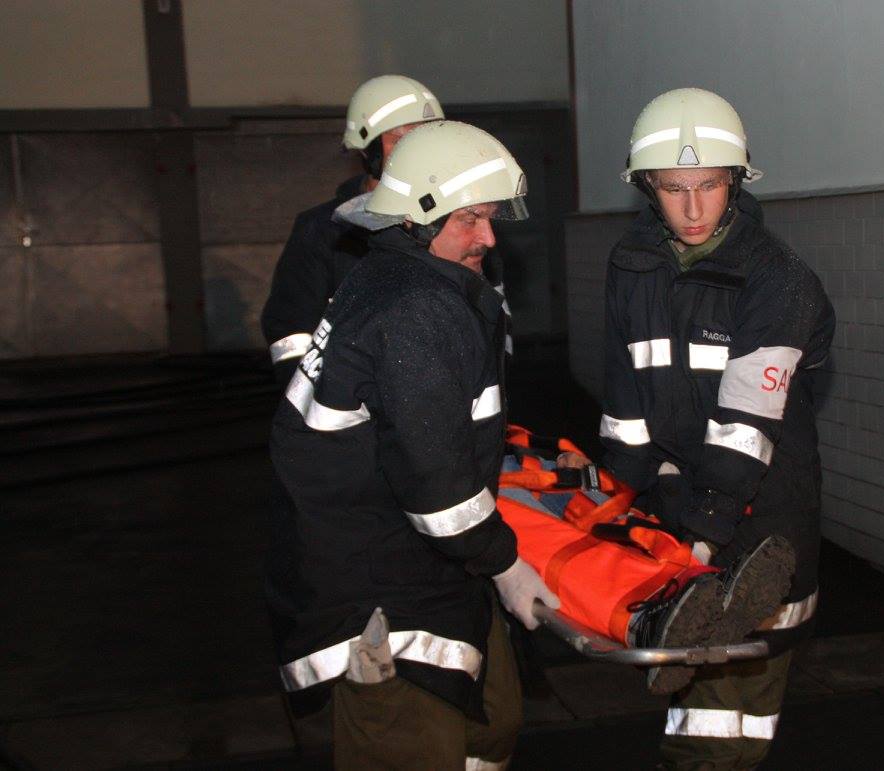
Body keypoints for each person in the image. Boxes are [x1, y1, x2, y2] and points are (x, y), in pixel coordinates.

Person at [266, 120, 558, 770]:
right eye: (469, 220)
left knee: (492, 724)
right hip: (379, 584)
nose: (488, 237)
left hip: (428, 565)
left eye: (490, 218)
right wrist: (506, 565)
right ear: (414, 220)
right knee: (411, 748)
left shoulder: (399, 281)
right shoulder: (415, 308)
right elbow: (437, 488)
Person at [563, 87, 835, 769]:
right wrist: (608, 497)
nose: (692, 209)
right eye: (673, 188)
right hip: (682, 516)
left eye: (709, 186)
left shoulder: (778, 281)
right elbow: (626, 402)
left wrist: (701, 540)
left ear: (735, 181)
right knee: (704, 721)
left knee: (734, 718)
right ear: (646, 186)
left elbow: (746, 426)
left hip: (764, 522)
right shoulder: (632, 266)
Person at [260, 75, 444, 386]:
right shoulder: (323, 232)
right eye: (402, 141)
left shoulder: (460, 224)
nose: (419, 154)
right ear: (368, 150)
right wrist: (319, 398)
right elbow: (290, 335)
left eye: (428, 141)